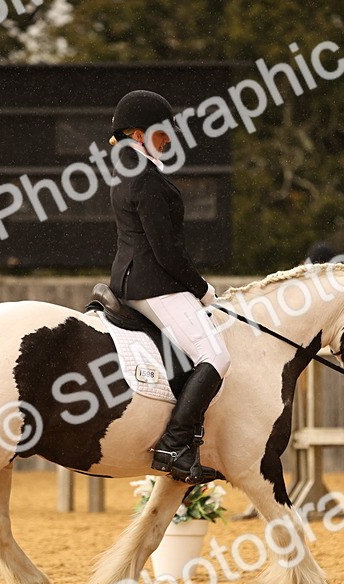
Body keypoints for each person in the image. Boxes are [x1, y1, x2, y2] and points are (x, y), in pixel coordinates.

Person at [106, 89, 230, 484]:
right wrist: (203, 289)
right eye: (163, 132)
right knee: (215, 354)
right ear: (139, 135)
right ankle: (175, 444)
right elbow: (168, 252)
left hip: (131, 278)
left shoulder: (129, 171)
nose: (170, 139)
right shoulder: (145, 179)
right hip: (152, 282)